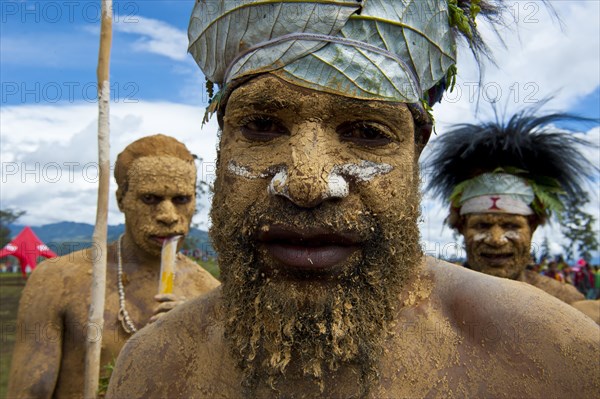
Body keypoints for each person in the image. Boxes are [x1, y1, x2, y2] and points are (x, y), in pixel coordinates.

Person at [107, 2, 599, 398]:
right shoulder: (154, 366)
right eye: (261, 126)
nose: (306, 183)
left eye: (367, 131)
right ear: (222, 141)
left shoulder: (552, 355)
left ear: (416, 148)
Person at [7, 134, 220, 398]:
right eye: (150, 199)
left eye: (181, 199)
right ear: (122, 200)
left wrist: (196, 328)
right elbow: (29, 391)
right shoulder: (57, 280)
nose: (168, 216)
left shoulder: (211, 295)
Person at [424, 106, 595, 305]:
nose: (496, 240)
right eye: (482, 226)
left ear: (532, 226)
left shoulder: (566, 302)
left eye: (511, 226)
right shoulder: (431, 302)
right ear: (461, 226)